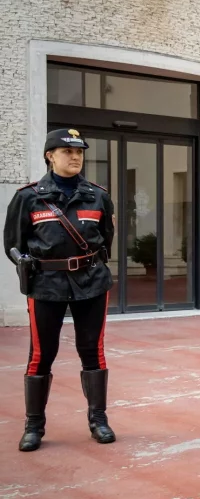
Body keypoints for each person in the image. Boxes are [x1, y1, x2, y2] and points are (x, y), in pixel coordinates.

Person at [4, 128, 116, 452]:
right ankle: (33, 426)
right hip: (46, 285)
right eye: (67, 152)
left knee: (92, 350)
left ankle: (99, 420)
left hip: (92, 282)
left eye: (80, 151)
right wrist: (24, 262)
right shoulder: (29, 196)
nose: (76, 157)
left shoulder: (98, 195)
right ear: (50, 156)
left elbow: (106, 237)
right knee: (41, 354)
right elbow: (12, 243)